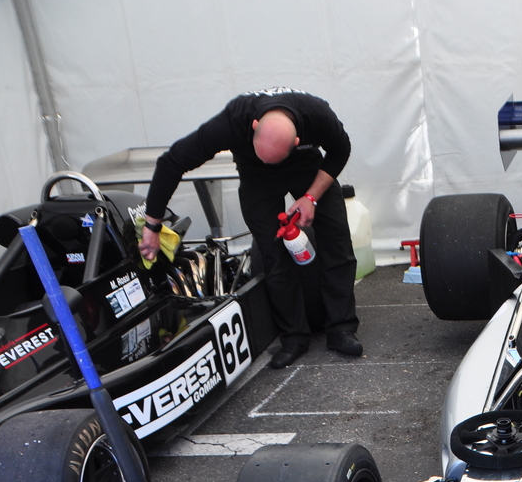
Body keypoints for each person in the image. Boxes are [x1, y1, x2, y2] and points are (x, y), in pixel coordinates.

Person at [139, 87, 362, 369]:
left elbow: (341, 150)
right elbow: (172, 161)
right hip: (257, 177)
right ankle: (293, 336)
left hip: (307, 169)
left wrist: (311, 197)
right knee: (272, 253)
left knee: (337, 240)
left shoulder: (317, 115)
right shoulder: (233, 121)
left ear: (297, 140)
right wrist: (152, 225)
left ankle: (342, 328)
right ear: (253, 127)